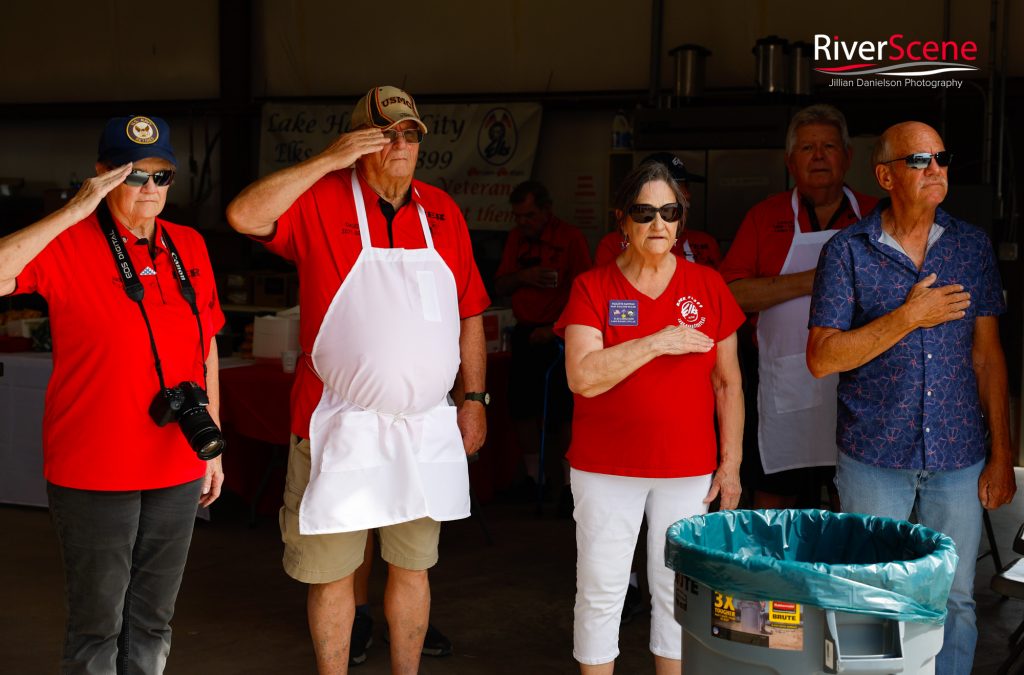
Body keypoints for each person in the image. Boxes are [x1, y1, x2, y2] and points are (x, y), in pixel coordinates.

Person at [226, 85, 490, 675]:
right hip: (334, 423)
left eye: (410, 135)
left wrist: (473, 399)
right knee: (332, 571)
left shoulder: (442, 211)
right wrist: (328, 159)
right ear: (357, 143)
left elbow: (470, 311)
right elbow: (244, 215)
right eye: (385, 135)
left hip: (423, 427)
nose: (400, 145)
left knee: (413, 565)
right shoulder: (320, 200)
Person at [0, 115, 225, 672]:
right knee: (98, 622)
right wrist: (75, 211)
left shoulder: (190, 244)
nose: (150, 188)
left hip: (176, 459)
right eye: (134, 174)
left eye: (162, 175)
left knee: (153, 617)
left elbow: (207, 342)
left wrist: (212, 444)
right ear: (102, 174)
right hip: (94, 465)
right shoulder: (66, 241)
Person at [807, 121, 1016, 674]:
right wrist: (907, 318)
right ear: (885, 176)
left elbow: (988, 357)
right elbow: (822, 357)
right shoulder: (846, 252)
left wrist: (1001, 454)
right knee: (870, 598)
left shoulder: (970, 246)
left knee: (954, 600)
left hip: (957, 457)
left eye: (942, 158)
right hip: (874, 458)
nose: (937, 169)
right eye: (920, 160)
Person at [556, 161, 744, 674]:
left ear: (682, 219)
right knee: (600, 590)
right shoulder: (592, 288)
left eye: (669, 211)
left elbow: (727, 382)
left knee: (677, 595)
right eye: (644, 212)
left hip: (687, 470)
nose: (658, 223)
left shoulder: (707, 286)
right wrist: (657, 342)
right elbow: (583, 376)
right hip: (604, 469)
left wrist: (731, 465)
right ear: (622, 219)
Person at [718, 104, 878, 509]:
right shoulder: (764, 216)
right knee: (776, 498)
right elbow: (730, 294)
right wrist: (813, 280)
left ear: (848, 156)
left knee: (857, 498)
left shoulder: (877, 215)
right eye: (807, 148)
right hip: (782, 381)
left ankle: (845, 574)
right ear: (791, 161)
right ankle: (773, 573)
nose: (819, 156)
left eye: (828, 146)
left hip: (862, 382)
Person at [494, 181, 591, 507]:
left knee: (565, 414)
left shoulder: (570, 238)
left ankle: (567, 486)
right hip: (524, 332)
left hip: (561, 335)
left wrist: (555, 330)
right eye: (518, 216)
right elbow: (500, 284)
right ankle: (534, 478)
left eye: (530, 215)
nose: (523, 222)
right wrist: (525, 276)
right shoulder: (515, 238)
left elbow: (586, 292)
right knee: (521, 408)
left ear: (547, 211)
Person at [593, 152, 721, 269]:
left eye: (686, 185)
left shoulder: (706, 243)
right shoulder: (613, 244)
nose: (687, 194)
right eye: (677, 185)